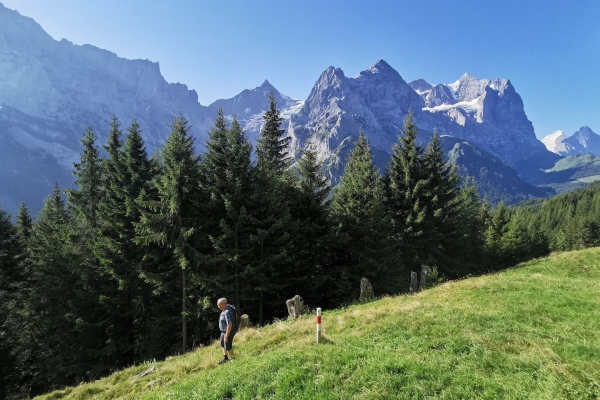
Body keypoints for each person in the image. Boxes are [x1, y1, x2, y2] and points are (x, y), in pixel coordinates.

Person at [217, 297, 236, 364]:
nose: (218, 306)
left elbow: (229, 325)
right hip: (223, 331)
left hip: (228, 331)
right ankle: (225, 358)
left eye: (219, 305)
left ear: (223, 304)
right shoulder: (225, 309)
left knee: (228, 346)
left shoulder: (227, 312)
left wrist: (226, 336)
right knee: (222, 344)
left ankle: (233, 359)